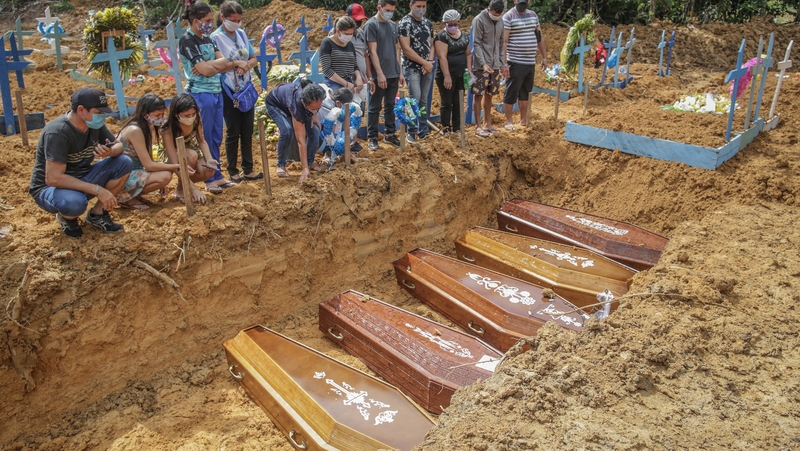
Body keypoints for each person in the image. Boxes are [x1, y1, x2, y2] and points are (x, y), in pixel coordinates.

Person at [29, 87, 132, 238]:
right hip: (50, 188)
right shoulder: (58, 132)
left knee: (124, 162)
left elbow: (119, 146)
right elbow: (53, 178)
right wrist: (98, 190)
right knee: (75, 203)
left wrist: (110, 151)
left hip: (81, 178)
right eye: (98, 112)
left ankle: (97, 214)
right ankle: (66, 218)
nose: (102, 117)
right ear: (82, 110)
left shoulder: (93, 125)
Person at [179, 0, 249, 193]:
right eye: (207, 20)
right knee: (206, 136)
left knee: (217, 136)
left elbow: (220, 63)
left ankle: (217, 176)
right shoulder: (187, 40)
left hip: (216, 91)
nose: (210, 23)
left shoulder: (207, 38)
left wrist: (220, 63)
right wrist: (218, 64)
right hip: (200, 94)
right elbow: (205, 69)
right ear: (196, 20)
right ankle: (209, 178)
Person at [210, 1, 263, 184]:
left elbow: (253, 57)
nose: (237, 23)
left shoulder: (241, 34)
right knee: (233, 131)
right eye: (233, 20)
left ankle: (248, 169)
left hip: (245, 87)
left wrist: (246, 65)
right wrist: (236, 65)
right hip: (227, 89)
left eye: (239, 20)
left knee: (247, 130)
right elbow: (217, 66)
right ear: (222, 18)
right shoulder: (215, 38)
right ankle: (232, 170)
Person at [116, 93, 180, 211]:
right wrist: (177, 166)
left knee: (165, 174)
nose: (161, 118)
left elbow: (148, 159)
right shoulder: (135, 130)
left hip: (132, 172)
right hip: (122, 177)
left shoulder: (146, 127)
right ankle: (126, 197)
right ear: (146, 115)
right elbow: (149, 165)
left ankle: (135, 195)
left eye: (162, 114)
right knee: (165, 175)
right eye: (157, 115)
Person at [264, 77, 326, 184]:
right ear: (304, 103)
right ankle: (281, 165)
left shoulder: (319, 92)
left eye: (318, 107)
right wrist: (304, 169)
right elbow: (301, 141)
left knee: (315, 130)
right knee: (287, 130)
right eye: (313, 108)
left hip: (297, 106)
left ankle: (310, 162)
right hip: (276, 104)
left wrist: (314, 114)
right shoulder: (297, 105)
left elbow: (315, 107)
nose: (316, 109)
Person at [159, 93, 217, 205]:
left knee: (209, 171)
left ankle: (182, 187)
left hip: (191, 149)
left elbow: (202, 140)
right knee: (191, 155)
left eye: (193, 114)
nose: (190, 118)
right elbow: (173, 161)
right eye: (186, 115)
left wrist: (209, 159)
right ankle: (185, 188)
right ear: (176, 115)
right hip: (173, 156)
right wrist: (195, 189)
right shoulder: (168, 129)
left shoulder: (196, 119)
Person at [364, 0, 405, 151]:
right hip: (379, 74)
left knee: (390, 105)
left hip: (393, 72)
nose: (390, 13)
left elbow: (396, 49)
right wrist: (379, 74)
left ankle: (389, 134)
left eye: (392, 10)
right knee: (374, 106)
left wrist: (399, 71)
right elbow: (372, 52)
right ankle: (372, 137)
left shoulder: (392, 26)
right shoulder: (371, 25)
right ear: (379, 8)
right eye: (387, 9)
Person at [502, 0, 547, 130]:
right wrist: (504, 63)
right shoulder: (509, 16)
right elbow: (504, 42)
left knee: (525, 92)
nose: (522, 4)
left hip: (530, 62)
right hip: (515, 61)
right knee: (511, 91)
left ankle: (523, 120)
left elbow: (539, 37)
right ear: (515, 1)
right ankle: (509, 121)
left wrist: (544, 57)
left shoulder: (533, 15)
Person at [398, 0, 434, 142]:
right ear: (411, 6)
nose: (421, 9)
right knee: (414, 99)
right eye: (418, 6)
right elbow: (406, 49)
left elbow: (432, 44)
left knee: (424, 100)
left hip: (427, 68)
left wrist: (429, 62)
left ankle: (423, 130)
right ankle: (411, 131)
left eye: (423, 6)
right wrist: (424, 62)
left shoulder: (428, 23)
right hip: (412, 67)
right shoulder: (405, 23)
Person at [471, 0, 506, 138]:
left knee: (490, 94)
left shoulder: (501, 21)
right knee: (478, 94)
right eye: (494, 13)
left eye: (499, 14)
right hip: (481, 66)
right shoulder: (479, 20)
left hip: (495, 64)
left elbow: (501, 43)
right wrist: (483, 63)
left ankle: (488, 123)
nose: (496, 15)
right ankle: (478, 126)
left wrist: (502, 63)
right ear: (489, 9)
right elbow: (477, 43)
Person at [434, 10, 472, 134]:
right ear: (445, 23)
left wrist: (469, 71)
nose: (453, 26)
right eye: (450, 24)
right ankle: (446, 127)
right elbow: (442, 57)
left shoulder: (464, 35)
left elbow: (468, 54)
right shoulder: (442, 37)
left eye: (455, 24)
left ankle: (457, 127)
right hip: (446, 75)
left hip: (461, 74)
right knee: (447, 101)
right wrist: (447, 76)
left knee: (458, 101)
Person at [321, 16, 364, 93]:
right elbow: (327, 70)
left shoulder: (350, 44)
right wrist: (345, 83)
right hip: (334, 85)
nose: (349, 36)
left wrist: (358, 77)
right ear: (338, 31)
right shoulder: (327, 43)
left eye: (351, 34)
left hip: (350, 83)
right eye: (346, 34)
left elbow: (354, 66)